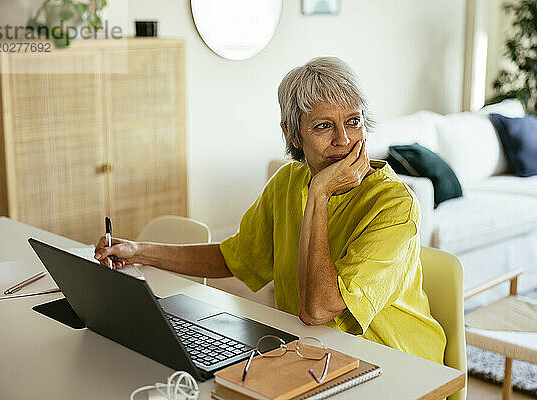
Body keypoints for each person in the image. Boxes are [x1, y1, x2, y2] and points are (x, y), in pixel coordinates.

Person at [94, 57, 446, 364]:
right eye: (323, 126)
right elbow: (233, 258)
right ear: (292, 133)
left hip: (398, 364)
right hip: (314, 353)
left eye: (353, 121)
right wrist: (138, 252)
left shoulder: (395, 205)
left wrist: (319, 194)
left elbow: (318, 310)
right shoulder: (288, 181)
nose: (344, 139)